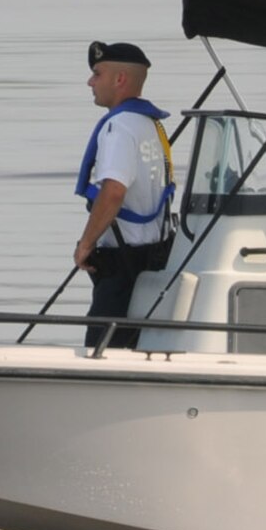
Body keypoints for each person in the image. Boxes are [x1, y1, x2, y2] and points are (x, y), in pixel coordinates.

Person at [76, 40, 175, 349]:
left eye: (97, 74)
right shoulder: (151, 124)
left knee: (102, 347)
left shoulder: (118, 127)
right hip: (156, 255)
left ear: (120, 79)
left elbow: (114, 191)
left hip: (121, 263)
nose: (90, 82)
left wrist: (86, 244)